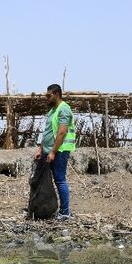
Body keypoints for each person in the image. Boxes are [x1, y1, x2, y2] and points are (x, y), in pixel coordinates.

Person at [35, 84, 76, 220]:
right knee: (41, 179)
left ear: (56, 94)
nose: (46, 98)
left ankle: (65, 212)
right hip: (48, 150)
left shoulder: (64, 109)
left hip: (59, 151)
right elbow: (47, 131)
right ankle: (39, 206)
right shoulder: (53, 110)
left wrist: (53, 152)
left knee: (60, 180)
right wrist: (41, 148)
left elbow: (62, 132)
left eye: (48, 95)